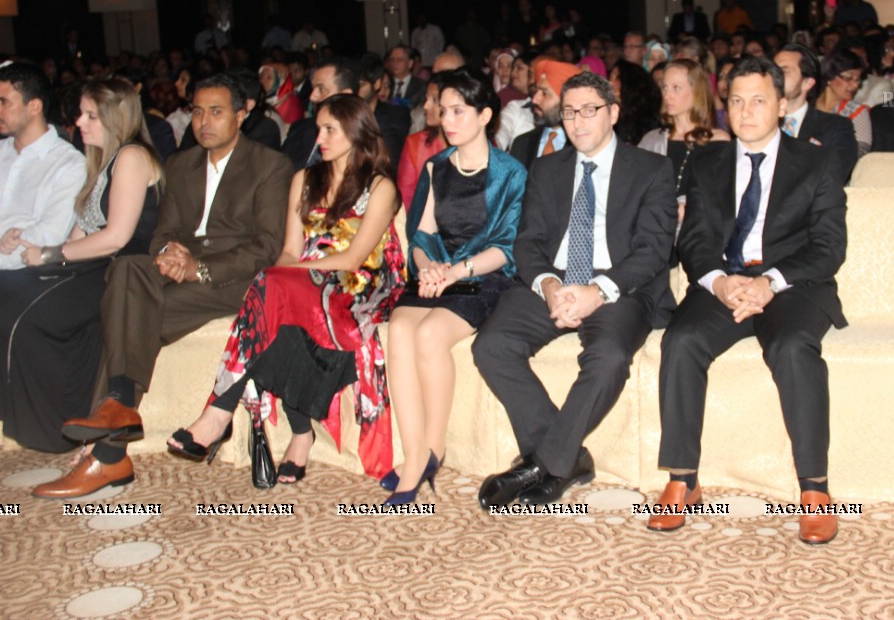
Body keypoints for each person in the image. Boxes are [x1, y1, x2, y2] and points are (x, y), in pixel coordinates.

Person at [30, 74, 292, 499]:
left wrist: (198, 268)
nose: (204, 121)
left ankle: (108, 451)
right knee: (129, 270)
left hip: (234, 279)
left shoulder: (270, 165)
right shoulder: (181, 164)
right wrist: (170, 252)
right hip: (178, 268)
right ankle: (116, 412)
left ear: (243, 115)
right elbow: (162, 229)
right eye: (197, 111)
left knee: (126, 313)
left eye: (217, 111)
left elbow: (265, 247)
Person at [650, 56, 847, 544]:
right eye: (736, 101)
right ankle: (682, 478)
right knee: (681, 340)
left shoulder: (817, 161)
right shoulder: (708, 160)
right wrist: (718, 281)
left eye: (758, 100)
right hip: (727, 281)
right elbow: (694, 238)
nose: (746, 111)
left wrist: (770, 282)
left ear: (781, 105)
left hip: (792, 285)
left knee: (792, 347)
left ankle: (815, 489)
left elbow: (828, 247)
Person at [165, 94, 402, 481]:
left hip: (361, 285)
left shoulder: (380, 187)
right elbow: (291, 251)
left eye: (330, 130)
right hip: (309, 280)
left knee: (277, 291)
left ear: (357, 133)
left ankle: (221, 415)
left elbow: (354, 259)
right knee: (274, 299)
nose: (319, 137)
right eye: (318, 128)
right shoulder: (303, 180)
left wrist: (286, 281)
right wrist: (276, 285)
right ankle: (294, 432)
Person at [473, 71, 676, 509]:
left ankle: (543, 464)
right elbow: (527, 242)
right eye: (569, 113)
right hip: (555, 279)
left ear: (614, 113)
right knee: (492, 344)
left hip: (619, 283)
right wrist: (549, 286)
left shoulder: (652, 169)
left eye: (590, 110)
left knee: (609, 357)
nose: (578, 122)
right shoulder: (546, 169)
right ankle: (568, 458)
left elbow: (654, 250)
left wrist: (598, 290)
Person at [383, 72, 526, 504]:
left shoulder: (510, 172)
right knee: (399, 330)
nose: (447, 119)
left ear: (485, 115)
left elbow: (505, 247)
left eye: (458, 111)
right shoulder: (437, 165)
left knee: (428, 334)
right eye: (443, 111)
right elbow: (422, 234)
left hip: (482, 277)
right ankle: (413, 456)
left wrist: (455, 271)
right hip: (438, 272)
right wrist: (428, 268)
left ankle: (433, 449)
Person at [0, 80, 162, 452]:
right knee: (11, 302)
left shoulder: (132, 157)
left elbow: (116, 237)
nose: (79, 121)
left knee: (32, 321)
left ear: (115, 118)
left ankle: (58, 427)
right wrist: (33, 246)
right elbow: (79, 233)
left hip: (120, 272)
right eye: (82, 113)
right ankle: (31, 422)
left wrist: (51, 255)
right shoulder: (102, 160)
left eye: (91, 115)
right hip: (91, 267)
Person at [0, 62, 87, 270]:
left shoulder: (69, 164)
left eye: (4, 102)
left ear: (34, 107)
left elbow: (48, 236)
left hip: (27, 278)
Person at [638, 59, 731, 201]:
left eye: (676, 87)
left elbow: (721, 196)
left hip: (699, 222)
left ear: (696, 91)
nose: (667, 95)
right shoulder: (652, 140)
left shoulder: (718, 140)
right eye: (665, 87)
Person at [774, 44, 857, 183]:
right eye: (772, 71)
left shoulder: (835, 127)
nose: (774, 77)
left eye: (784, 71)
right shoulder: (756, 122)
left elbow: (834, 177)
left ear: (807, 83)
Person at [282, 58, 356, 170]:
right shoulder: (300, 129)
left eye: (321, 89)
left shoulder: (361, 137)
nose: (312, 96)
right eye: (312, 89)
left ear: (345, 95)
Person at [508, 60, 581, 170]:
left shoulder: (583, 145)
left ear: (567, 101)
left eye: (545, 93)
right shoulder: (521, 143)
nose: (535, 100)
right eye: (536, 91)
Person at [398, 75, 448, 212]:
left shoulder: (474, 145)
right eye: (427, 98)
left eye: (435, 100)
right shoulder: (415, 144)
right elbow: (405, 199)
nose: (426, 106)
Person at [814, 49, 872, 158]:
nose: (855, 85)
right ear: (829, 77)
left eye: (857, 80)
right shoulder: (808, 106)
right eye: (848, 78)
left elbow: (861, 153)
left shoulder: (856, 111)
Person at [611, 58, 663, 146]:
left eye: (617, 77)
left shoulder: (649, 117)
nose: (611, 82)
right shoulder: (610, 112)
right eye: (610, 77)